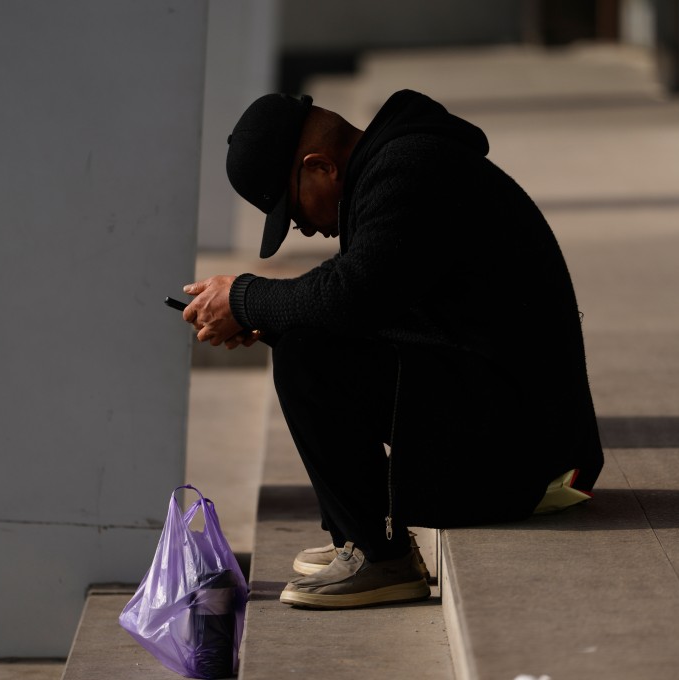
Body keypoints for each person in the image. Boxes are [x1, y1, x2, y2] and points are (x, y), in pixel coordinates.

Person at [180, 89, 604, 610]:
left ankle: (381, 558)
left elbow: (351, 299)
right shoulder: (401, 165)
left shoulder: (409, 171)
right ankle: (360, 540)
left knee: (308, 353)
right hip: (516, 428)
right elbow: (383, 314)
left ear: (320, 167)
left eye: (293, 212)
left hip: (534, 460)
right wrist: (265, 319)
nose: (306, 228)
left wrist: (247, 298)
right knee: (303, 339)